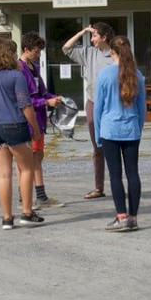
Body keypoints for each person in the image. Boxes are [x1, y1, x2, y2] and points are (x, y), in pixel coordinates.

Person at [0, 37, 45, 230]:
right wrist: (35, 128)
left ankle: (7, 218)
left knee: (3, 175)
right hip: (14, 125)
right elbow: (25, 105)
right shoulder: (16, 76)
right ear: (11, 54)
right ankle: (27, 212)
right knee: (26, 169)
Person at [93, 35, 146, 231]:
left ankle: (121, 216)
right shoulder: (137, 74)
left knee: (115, 175)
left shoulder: (105, 74)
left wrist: (98, 134)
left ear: (112, 52)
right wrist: (138, 127)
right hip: (131, 129)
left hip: (110, 130)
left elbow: (98, 108)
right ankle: (133, 217)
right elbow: (141, 108)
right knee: (133, 173)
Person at [62, 22, 115, 199]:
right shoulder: (89, 53)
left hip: (112, 105)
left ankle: (118, 185)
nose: (92, 39)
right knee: (97, 147)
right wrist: (83, 32)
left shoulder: (116, 54)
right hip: (93, 103)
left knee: (114, 147)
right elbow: (66, 48)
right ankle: (99, 188)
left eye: (94, 36)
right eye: (91, 36)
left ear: (104, 37)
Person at [18, 31, 63, 209]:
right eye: (36, 52)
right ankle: (24, 198)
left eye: (40, 52)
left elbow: (42, 92)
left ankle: (41, 196)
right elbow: (24, 100)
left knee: (38, 157)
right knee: (25, 160)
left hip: (39, 119)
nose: (38, 55)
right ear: (26, 50)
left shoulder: (34, 67)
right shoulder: (19, 69)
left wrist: (54, 98)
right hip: (27, 121)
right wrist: (45, 102)